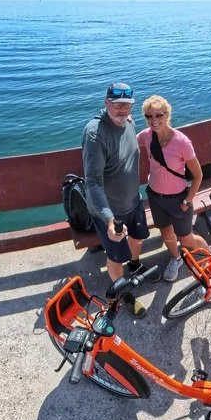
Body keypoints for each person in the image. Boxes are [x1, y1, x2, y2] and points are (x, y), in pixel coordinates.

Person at [82, 82, 150, 309]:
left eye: (127, 105)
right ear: (106, 103)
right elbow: (92, 182)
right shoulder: (95, 134)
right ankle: (123, 292)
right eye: (117, 104)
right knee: (116, 257)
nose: (122, 109)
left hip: (133, 200)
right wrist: (109, 220)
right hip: (112, 212)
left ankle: (135, 265)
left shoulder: (127, 122)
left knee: (138, 239)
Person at [137, 94, 211, 281]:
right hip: (155, 196)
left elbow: (198, 175)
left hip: (179, 199)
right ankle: (175, 258)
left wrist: (188, 200)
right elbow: (128, 142)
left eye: (159, 115)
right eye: (149, 116)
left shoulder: (182, 142)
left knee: (186, 238)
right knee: (165, 232)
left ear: (167, 115)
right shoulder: (145, 137)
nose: (154, 120)